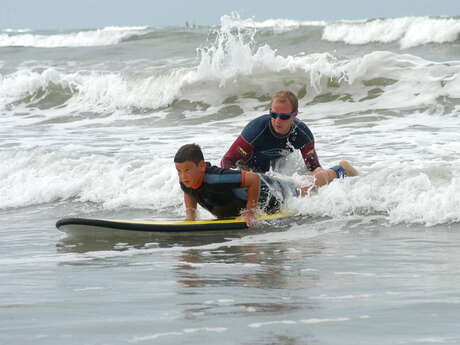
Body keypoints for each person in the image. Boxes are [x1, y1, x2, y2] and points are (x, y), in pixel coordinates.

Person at [175, 144, 357, 227]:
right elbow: (189, 191)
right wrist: (190, 216)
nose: (183, 176)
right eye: (179, 171)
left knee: (306, 190)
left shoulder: (216, 178)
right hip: (254, 193)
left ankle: (339, 170)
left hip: (269, 190)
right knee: (304, 187)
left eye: (187, 170)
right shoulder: (188, 179)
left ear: (201, 166)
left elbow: (253, 179)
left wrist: (251, 212)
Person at [221, 90, 358, 186]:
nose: (277, 120)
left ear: (294, 115)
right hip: (250, 173)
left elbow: (314, 167)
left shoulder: (302, 133)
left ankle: (340, 169)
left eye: (284, 116)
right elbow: (227, 160)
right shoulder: (256, 130)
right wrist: (232, 182)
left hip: (276, 174)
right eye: (273, 114)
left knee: (318, 178)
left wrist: (319, 176)